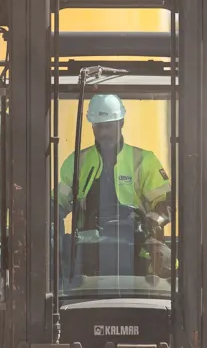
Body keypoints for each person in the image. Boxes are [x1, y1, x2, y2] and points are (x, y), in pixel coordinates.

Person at [56, 93, 171, 241]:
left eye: (108, 126)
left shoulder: (144, 161)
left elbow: (166, 203)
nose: (104, 132)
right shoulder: (77, 161)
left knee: (168, 261)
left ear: (121, 122)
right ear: (92, 126)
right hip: (87, 250)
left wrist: (147, 224)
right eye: (99, 127)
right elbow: (58, 201)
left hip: (136, 248)